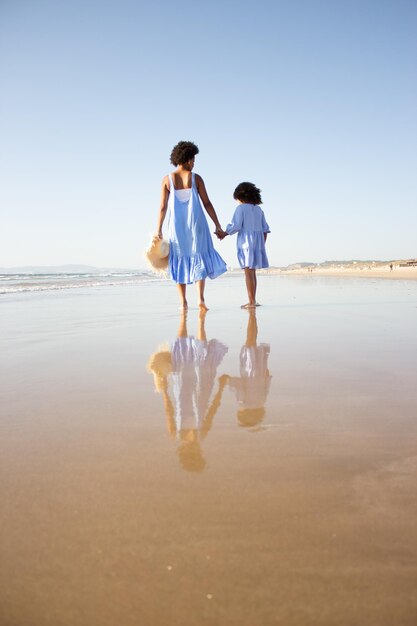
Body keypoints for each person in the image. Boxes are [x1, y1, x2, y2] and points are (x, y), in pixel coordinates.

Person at [147, 310, 228, 472]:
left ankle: (190, 321)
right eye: (197, 452)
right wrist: (221, 387)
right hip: (199, 385)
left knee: (186, 358)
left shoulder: (175, 432)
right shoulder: (199, 432)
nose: (197, 449)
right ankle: (197, 322)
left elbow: (168, 410)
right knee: (198, 357)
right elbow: (212, 410)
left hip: (183, 386)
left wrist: (164, 389)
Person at [156, 141, 227, 310]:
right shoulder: (196, 178)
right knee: (198, 257)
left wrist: (158, 228)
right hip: (197, 225)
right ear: (187, 159)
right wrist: (217, 224)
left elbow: (162, 207)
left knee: (179, 259)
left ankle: (183, 302)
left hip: (177, 227)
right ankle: (200, 299)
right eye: (193, 159)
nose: (194, 163)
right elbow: (207, 203)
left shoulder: (167, 180)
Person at [217, 182, 270, 308]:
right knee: (253, 273)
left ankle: (251, 301)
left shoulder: (241, 209)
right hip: (258, 243)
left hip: (246, 244)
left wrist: (224, 233)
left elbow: (236, 226)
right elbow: (265, 229)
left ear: (240, 196)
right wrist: (261, 245)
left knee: (248, 273)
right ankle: (253, 300)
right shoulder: (258, 210)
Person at [220, 309, 271, 430]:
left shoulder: (261, 402)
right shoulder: (244, 403)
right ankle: (251, 322)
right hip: (249, 371)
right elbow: (239, 388)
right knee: (249, 342)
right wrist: (227, 381)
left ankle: (252, 322)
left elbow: (266, 385)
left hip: (259, 370)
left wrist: (267, 373)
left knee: (252, 341)